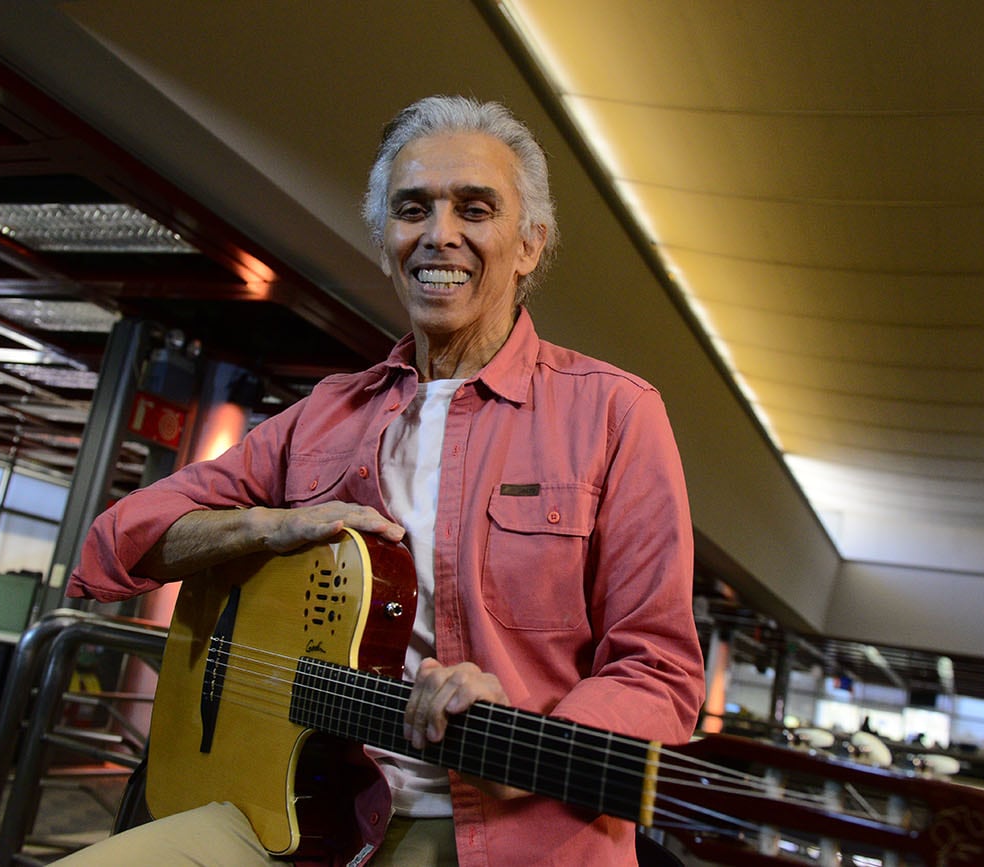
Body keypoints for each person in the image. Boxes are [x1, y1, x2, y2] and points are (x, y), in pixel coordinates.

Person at [60, 95, 704, 866]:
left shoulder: (616, 414)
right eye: (412, 209)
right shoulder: (327, 414)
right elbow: (119, 539)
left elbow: (659, 670)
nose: (440, 235)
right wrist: (270, 525)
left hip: (504, 835)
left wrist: (526, 732)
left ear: (529, 244)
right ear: (385, 238)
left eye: (475, 209)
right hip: (283, 810)